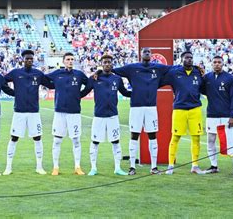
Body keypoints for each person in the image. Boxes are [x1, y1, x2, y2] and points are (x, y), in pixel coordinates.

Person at [112, 47, 171, 175]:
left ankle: (154, 167)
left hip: (151, 108)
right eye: (145, 52)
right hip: (136, 107)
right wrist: (99, 72)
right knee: (134, 135)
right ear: (140, 54)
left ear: (151, 55)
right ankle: (132, 167)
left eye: (149, 52)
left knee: (152, 135)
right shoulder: (132, 68)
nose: (147, 53)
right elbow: (113, 70)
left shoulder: (158, 68)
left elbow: (173, 69)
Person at [3, 50, 54, 175]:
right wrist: (12, 93)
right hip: (19, 112)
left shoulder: (38, 74)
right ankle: (8, 167)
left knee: (37, 138)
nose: (29, 60)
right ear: (23, 60)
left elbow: (51, 84)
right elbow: (1, 81)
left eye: (31, 59)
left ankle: (39, 166)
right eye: (27, 59)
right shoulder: (16, 73)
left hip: (33, 112)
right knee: (14, 138)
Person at [80, 55, 131, 176]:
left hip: (113, 115)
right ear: (101, 64)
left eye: (109, 62)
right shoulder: (94, 78)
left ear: (112, 64)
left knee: (115, 141)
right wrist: (71, 95)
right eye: (105, 62)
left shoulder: (117, 79)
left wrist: (138, 93)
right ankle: (93, 168)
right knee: (95, 141)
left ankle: (117, 168)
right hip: (99, 116)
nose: (107, 64)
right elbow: (84, 92)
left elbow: (124, 92)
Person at [161, 52, 205, 175]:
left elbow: (204, 88)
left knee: (196, 138)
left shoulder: (198, 73)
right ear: (182, 60)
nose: (189, 60)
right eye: (186, 58)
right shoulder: (174, 73)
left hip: (195, 109)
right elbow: (161, 78)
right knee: (175, 137)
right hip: (179, 109)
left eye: (191, 58)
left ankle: (195, 165)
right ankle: (170, 165)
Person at [45, 52, 88, 176]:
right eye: (68, 59)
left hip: (74, 113)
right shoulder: (57, 74)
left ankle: (77, 167)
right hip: (59, 113)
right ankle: (55, 167)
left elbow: (90, 84)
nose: (70, 61)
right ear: (63, 61)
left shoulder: (79, 75)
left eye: (72, 59)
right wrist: (53, 86)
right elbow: (44, 79)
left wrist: (80, 95)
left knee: (76, 140)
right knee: (57, 140)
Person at [202, 55, 233, 176]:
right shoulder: (207, 78)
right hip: (211, 115)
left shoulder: (230, 78)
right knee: (211, 140)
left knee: (231, 141)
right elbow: (200, 89)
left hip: (226, 116)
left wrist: (232, 116)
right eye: (215, 62)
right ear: (212, 64)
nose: (217, 64)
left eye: (219, 62)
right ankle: (214, 165)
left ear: (223, 64)